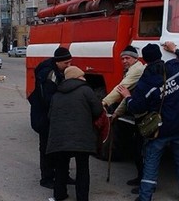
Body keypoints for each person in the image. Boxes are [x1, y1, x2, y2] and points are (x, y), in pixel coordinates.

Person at [120, 42, 179, 201]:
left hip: (160, 130)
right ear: (160, 56)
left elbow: (136, 107)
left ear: (144, 60)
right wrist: (175, 50)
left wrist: (127, 96)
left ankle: (145, 197)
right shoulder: (176, 68)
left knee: (151, 162)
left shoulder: (145, 82)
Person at [47, 66, 103, 201]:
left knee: (61, 166)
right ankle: (82, 198)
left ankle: (59, 195)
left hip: (60, 137)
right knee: (82, 168)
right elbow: (97, 110)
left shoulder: (57, 93)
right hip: (81, 136)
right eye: (82, 75)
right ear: (78, 77)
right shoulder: (86, 91)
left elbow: (50, 116)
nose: (84, 77)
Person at [28, 46, 74, 189]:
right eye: (66, 63)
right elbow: (48, 99)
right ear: (58, 62)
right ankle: (47, 178)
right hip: (44, 117)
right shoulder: (48, 74)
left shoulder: (57, 71)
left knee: (61, 148)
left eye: (70, 62)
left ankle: (62, 175)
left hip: (53, 116)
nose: (69, 66)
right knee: (47, 148)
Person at [101, 45, 145, 192]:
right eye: (122, 59)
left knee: (142, 151)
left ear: (135, 58)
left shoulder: (136, 70)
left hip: (143, 114)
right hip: (137, 111)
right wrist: (117, 114)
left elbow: (120, 89)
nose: (124, 61)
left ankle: (145, 183)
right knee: (138, 150)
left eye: (127, 58)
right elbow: (127, 96)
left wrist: (104, 102)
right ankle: (141, 178)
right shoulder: (131, 70)